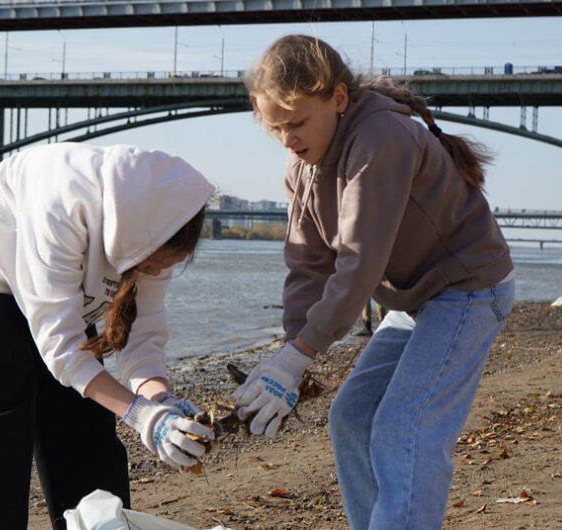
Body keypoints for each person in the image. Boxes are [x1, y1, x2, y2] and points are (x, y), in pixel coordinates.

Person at [232, 35, 515, 529]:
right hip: (413, 300)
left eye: (297, 122)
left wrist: (301, 354)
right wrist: (288, 357)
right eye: (275, 128)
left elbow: (358, 264)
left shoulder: (381, 137)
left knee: (405, 425)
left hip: (468, 287)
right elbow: (307, 262)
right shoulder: (301, 162)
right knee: (351, 419)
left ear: (338, 99)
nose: (288, 139)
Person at [0, 143, 216, 530]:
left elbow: (142, 338)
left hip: (64, 294)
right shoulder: (61, 206)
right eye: (151, 263)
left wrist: (160, 401)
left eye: (162, 266)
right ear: (136, 241)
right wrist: (141, 415)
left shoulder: (154, 229)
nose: (153, 271)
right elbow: (61, 350)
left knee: (84, 426)